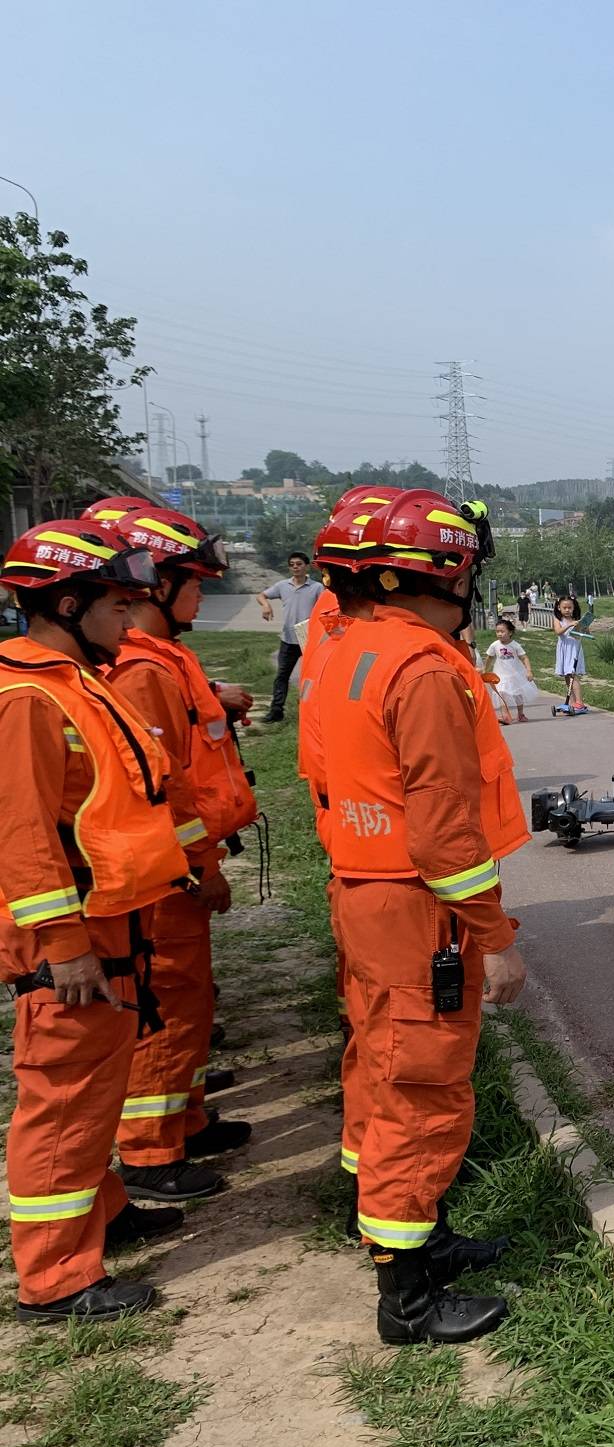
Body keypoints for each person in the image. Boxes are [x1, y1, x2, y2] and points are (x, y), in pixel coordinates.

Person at [302, 488, 525, 1344]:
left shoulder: (348, 649)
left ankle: (415, 1240)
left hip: (367, 891)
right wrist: (494, 938)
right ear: (444, 574)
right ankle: (410, 1300)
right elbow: (445, 833)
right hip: (421, 906)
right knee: (422, 1092)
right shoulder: (425, 669)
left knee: (381, 1067)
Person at [1, 520, 192, 1322]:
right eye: (117, 602)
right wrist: (64, 945)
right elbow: (21, 836)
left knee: (96, 1090)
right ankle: (54, 1278)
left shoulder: (78, 678)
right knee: (64, 1097)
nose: (131, 614)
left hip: (107, 919)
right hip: (68, 938)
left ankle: (104, 1213)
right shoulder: (28, 699)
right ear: (68, 602)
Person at [80, 500, 261, 1204]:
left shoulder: (165, 661)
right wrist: (200, 870)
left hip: (182, 865)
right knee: (166, 1007)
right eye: (194, 582)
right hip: (167, 876)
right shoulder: (141, 672)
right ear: (160, 584)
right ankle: (153, 1154)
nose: (202, 593)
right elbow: (161, 790)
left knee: (186, 1004)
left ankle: (184, 1120)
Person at [257, 551, 325, 723]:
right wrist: (266, 606)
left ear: (306, 566)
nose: (295, 567)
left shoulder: (317, 588)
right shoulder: (283, 586)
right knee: (282, 676)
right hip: (288, 639)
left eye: (299, 564)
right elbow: (261, 595)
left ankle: (315, 712)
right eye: (292, 564)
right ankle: (276, 711)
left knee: (314, 677)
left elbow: (325, 609)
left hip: (309, 639)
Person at [485, 618, 539, 723]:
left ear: (510, 632)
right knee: (501, 692)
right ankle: (505, 715)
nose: (499, 634)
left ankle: (520, 714)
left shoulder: (515, 645)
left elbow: (524, 658)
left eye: (502, 631)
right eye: (497, 631)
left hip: (515, 674)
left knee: (517, 693)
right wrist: (485, 670)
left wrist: (529, 671)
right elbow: (489, 658)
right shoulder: (495, 645)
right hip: (500, 675)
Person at [552, 596, 587, 715]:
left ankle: (579, 703)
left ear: (573, 608)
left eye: (569, 607)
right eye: (564, 607)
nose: (567, 610)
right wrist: (569, 624)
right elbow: (558, 632)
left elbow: (582, 634)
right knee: (567, 676)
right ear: (559, 608)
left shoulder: (576, 619)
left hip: (574, 649)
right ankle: (572, 702)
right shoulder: (558, 619)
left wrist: (584, 627)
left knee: (573, 675)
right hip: (563, 649)